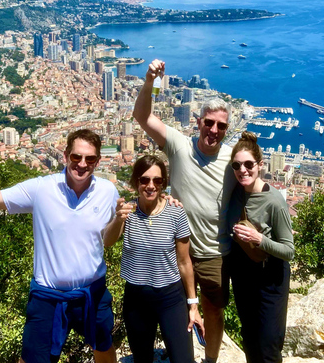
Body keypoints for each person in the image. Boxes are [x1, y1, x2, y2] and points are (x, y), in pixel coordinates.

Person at [0, 129, 118, 363]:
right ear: (65, 156)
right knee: (33, 358)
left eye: (90, 159)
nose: (82, 164)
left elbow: (112, 234)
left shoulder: (108, 192)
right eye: (76, 157)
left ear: (97, 161)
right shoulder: (42, 189)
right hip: (47, 296)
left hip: (92, 292)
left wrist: (166, 202)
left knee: (104, 347)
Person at [133, 59, 236, 363]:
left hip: (216, 252)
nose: (214, 130)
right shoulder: (179, 144)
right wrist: (151, 79)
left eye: (221, 126)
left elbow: (253, 189)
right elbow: (141, 115)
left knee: (214, 311)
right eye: (209, 122)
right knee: (179, 310)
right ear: (198, 120)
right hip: (178, 250)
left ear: (226, 129)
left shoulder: (233, 159)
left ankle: (212, 360)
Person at [103, 155, 204, 363]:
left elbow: (185, 262)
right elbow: (108, 241)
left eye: (157, 181)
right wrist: (117, 219)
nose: (151, 186)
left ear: (163, 184)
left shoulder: (176, 213)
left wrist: (193, 305)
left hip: (171, 298)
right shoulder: (127, 213)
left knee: (183, 359)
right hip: (136, 298)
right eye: (144, 180)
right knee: (142, 359)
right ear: (136, 182)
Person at [227, 132, 294, 363]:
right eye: (237, 165)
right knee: (250, 338)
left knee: (268, 344)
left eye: (248, 164)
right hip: (243, 275)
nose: (242, 170)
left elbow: (289, 250)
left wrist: (260, 239)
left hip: (270, 277)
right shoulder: (235, 191)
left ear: (260, 165)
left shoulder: (274, 201)